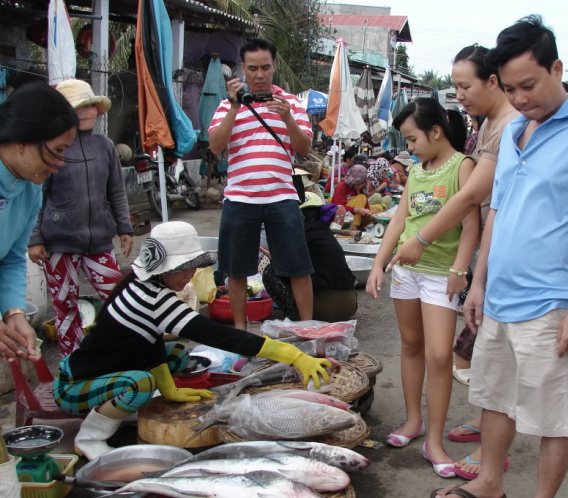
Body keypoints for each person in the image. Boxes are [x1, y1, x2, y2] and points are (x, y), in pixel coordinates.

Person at [410, 17, 568, 498]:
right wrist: (478, 282)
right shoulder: (511, 132)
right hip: (499, 296)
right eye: (511, 88)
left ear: (557, 69)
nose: (521, 98)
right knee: (495, 397)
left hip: (552, 302)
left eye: (531, 85)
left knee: (555, 415)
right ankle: (490, 480)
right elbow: (495, 210)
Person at [54, 221, 332, 460]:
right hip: (74, 386)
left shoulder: (142, 284)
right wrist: (293, 354)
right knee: (141, 383)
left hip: (109, 369)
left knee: (174, 351)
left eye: (192, 267)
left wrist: (170, 389)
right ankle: (90, 438)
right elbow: (221, 336)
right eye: (183, 268)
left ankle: (121, 408)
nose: (189, 275)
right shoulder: (151, 299)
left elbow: (147, 342)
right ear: (161, 267)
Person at [367, 97, 479, 478]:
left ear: (436, 131)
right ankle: (413, 421)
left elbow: (470, 224)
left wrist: (460, 269)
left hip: (439, 274)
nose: (409, 148)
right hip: (406, 272)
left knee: (439, 356)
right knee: (411, 345)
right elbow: (400, 219)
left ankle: (435, 440)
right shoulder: (416, 170)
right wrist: (378, 263)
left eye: (412, 140)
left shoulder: (463, 166)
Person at [438, 44, 520, 481]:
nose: (459, 94)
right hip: (491, 245)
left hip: (507, 253)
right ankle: (488, 426)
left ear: (492, 81)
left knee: (496, 355)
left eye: (464, 85)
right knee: (479, 348)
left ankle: (495, 451)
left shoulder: (510, 124)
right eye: (454, 86)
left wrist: (423, 238)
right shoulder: (488, 122)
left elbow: (472, 194)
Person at [209, 38, 314, 327]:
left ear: (274, 67)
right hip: (240, 199)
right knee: (236, 269)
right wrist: (233, 108)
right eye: (252, 68)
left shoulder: (291, 102)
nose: (259, 75)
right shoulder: (226, 105)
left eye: (265, 67)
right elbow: (215, 146)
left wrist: (288, 119)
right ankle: (241, 330)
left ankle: (307, 327)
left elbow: (304, 147)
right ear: (242, 69)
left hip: (282, 197)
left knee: (298, 267)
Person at [27, 79, 133, 357]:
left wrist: (125, 227)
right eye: (79, 107)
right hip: (58, 244)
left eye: (89, 106)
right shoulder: (51, 148)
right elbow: (37, 196)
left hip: (99, 240)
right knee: (65, 307)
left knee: (118, 299)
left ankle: (118, 354)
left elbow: (116, 191)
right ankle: (70, 366)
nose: (86, 112)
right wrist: (35, 237)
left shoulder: (105, 146)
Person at [0, 83, 78, 364]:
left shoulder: (30, 191)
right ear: (23, 140)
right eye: (57, 150)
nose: (60, 163)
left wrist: (14, 313)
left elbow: (10, 259)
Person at [262, 193, 358, 322]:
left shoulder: (294, 234)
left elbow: (288, 273)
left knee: (269, 272)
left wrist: (273, 258)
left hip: (322, 310)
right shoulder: (324, 232)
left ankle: (297, 316)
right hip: (349, 305)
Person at [329, 164, 384, 230]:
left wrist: (366, 211)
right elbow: (338, 208)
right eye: (357, 183)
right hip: (341, 216)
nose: (359, 185)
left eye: (362, 183)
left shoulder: (362, 189)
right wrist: (356, 210)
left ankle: (360, 226)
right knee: (361, 197)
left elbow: (366, 205)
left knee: (378, 208)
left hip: (355, 215)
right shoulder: (342, 186)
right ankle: (354, 226)